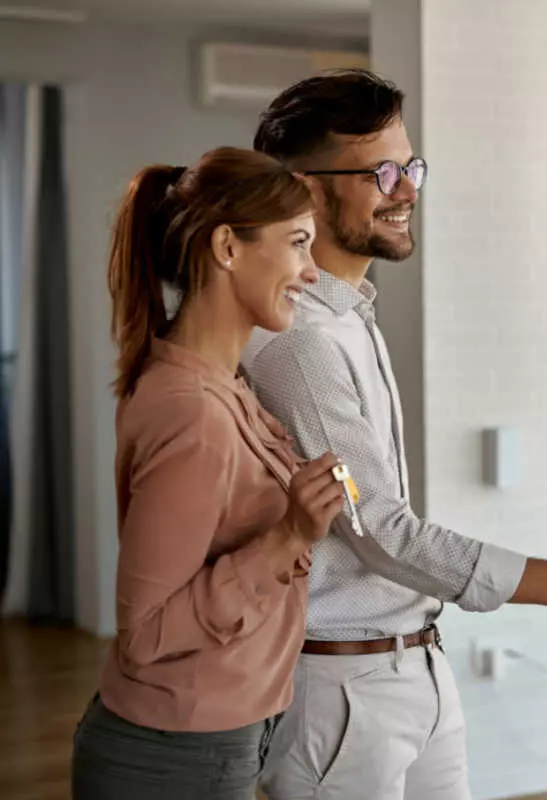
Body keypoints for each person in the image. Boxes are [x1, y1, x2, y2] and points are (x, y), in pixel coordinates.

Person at [242, 69, 547, 800]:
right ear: (305, 190)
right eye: (382, 171)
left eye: (410, 166)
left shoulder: (350, 318)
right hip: (341, 690)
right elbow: (379, 528)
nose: (408, 190)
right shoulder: (301, 345)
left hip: (417, 663)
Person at [71, 148, 347, 800]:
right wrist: (289, 536)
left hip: (211, 740)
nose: (311, 273)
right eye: (298, 244)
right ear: (227, 246)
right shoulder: (195, 411)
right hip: (176, 757)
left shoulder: (220, 386)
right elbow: (145, 633)